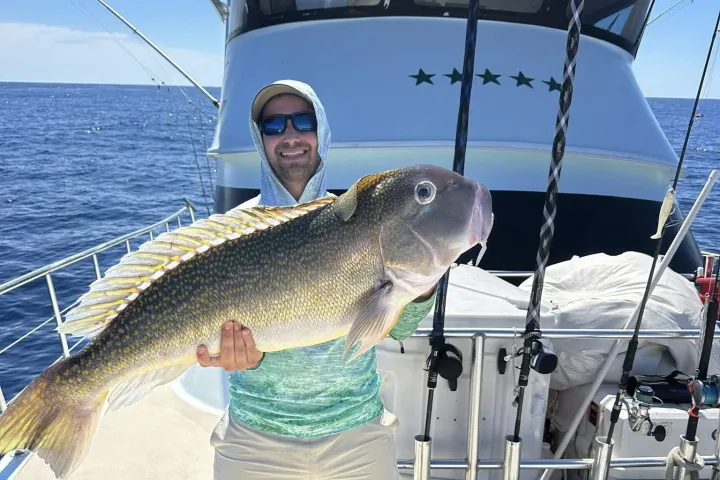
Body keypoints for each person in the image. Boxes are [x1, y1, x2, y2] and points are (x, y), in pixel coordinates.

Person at [196, 79, 437, 479]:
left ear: (321, 131)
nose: (290, 136)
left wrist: (423, 282)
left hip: (357, 434)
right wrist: (242, 359)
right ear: (261, 139)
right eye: (274, 126)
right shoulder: (231, 232)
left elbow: (398, 330)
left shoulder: (361, 218)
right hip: (254, 439)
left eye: (302, 122)